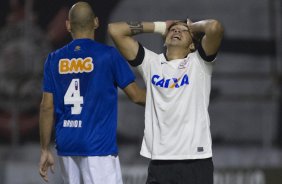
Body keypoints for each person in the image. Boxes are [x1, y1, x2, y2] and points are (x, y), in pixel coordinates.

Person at [38, 2, 145, 184]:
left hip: (67, 145)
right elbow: (137, 96)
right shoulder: (108, 55)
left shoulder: (54, 59)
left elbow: (47, 106)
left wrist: (44, 150)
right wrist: (168, 97)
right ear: (96, 22)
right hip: (98, 147)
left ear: (68, 25)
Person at [108, 18, 224, 184]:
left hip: (195, 160)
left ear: (192, 45)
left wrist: (192, 26)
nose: (176, 31)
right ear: (164, 40)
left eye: (183, 31)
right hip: (160, 162)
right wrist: (160, 26)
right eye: (173, 29)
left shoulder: (199, 63)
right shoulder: (151, 63)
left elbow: (215, 27)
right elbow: (115, 30)